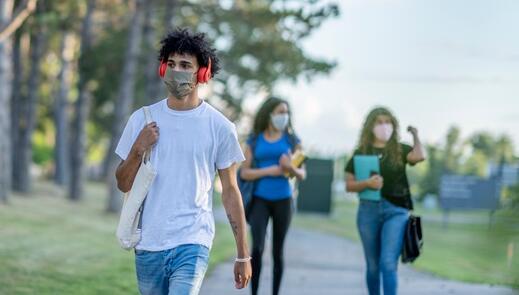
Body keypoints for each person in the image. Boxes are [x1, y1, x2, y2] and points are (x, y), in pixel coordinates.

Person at [115, 28, 251, 295]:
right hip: (149, 243)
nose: (177, 71)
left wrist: (243, 255)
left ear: (202, 73)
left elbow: (231, 191)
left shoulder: (220, 127)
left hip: (193, 240)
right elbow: (122, 183)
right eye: (172, 64)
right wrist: (137, 149)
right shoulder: (141, 119)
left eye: (186, 65)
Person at [345, 107, 426, 295]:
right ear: (370, 126)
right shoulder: (360, 153)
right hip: (368, 212)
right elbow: (349, 185)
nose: (384, 126)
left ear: (393, 125)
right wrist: (366, 183)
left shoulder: (400, 150)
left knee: (388, 264)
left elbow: (420, 156)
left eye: (387, 122)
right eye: (379, 122)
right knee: (372, 266)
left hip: (396, 212)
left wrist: (415, 135)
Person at [239, 97, 306, 295]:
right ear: (269, 114)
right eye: (279, 112)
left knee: (278, 251)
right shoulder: (254, 139)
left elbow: (302, 174)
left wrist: (290, 168)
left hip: (283, 201)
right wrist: (271, 170)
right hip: (259, 199)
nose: (283, 116)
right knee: (257, 248)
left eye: (286, 112)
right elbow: (244, 172)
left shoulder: (292, 140)